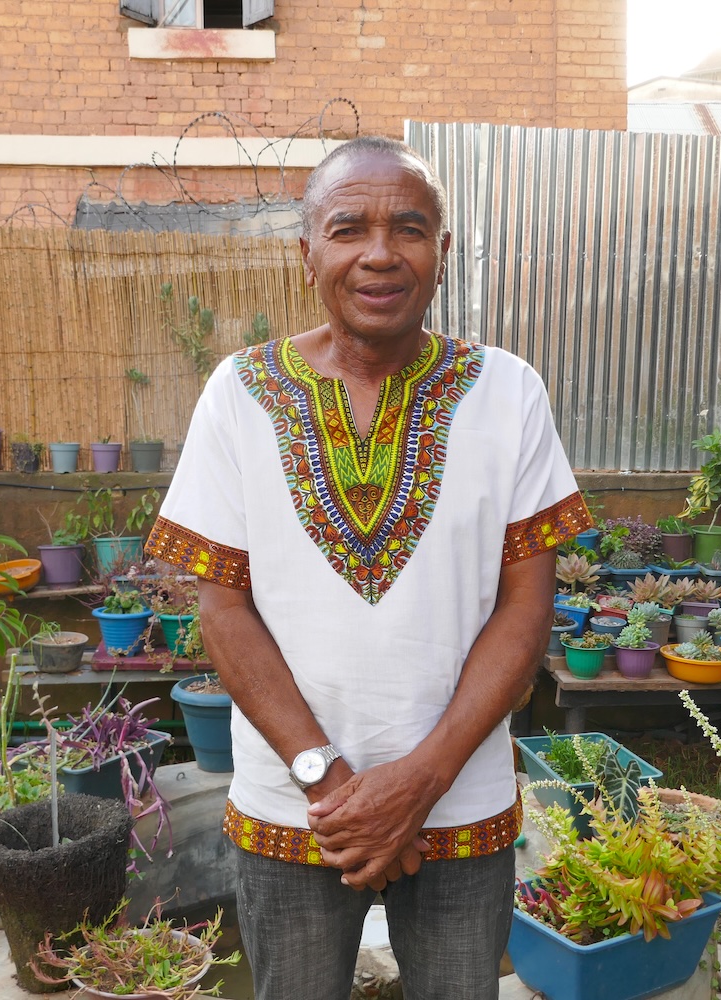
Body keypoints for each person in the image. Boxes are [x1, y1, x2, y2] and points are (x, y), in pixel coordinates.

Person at [145, 135, 591, 1000]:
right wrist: (331, 779)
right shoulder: (238, 395)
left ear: (443, 253)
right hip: (298, 805)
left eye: (411, 229)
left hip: (461, 805)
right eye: (349, 228)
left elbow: (525, 608)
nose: (380, 253)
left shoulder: (508, 390)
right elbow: (224, 610)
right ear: (307, 251)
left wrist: (420, 782)